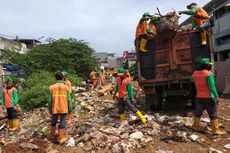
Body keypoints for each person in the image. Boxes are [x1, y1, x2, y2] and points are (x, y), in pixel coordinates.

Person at [190, 58, 225, 135]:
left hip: (199, 96)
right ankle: (215, 130)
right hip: (209, 97)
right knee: (212, 113)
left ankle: (195, 126)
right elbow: (212, 87)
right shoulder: (209, 74)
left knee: (198, 112)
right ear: (207, 65)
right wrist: (216, 96)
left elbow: (191, 80)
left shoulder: (195, 73)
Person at [48, 71, 72, 144]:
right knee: (62, 123)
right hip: (64, 108)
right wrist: (70, 109)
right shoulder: (66, 88)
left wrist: (50, 109)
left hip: (54, 108)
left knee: (53, 122)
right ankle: (61, 138)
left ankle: (52, 136)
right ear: (62, 78)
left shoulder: (51, 87)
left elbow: (49, 100)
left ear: (55, 78)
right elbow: (69, 100)